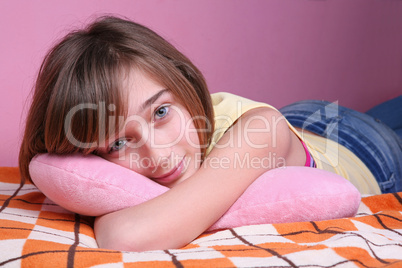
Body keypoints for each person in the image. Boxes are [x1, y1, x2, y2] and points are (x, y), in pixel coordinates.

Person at [18, 16, 402, 252]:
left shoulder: (260, 131)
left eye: (161, 112)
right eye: (118, 142)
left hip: (359, 144)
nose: (158, 154)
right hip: (296, 121)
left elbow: (129, 235)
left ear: (184, 82)